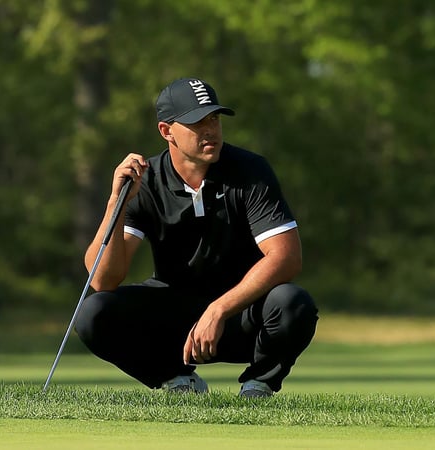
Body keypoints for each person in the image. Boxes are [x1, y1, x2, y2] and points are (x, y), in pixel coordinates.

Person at [75, 78, 319, 398]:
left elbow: (286, 257)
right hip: (173, 321)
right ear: (166, 131)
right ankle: (177, 381)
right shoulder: (146, 181)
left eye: (214, 119)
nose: (211, 130)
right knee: (94, 312)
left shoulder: (250, 170)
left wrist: (218, 310)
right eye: (196, 122)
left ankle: (258, 387)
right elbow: (103, 279)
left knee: (293, 303)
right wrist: (115, 203)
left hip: (239, 316)